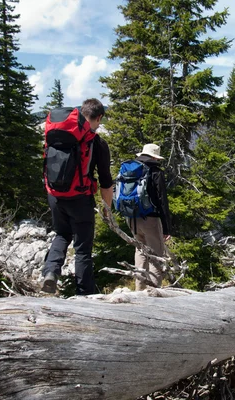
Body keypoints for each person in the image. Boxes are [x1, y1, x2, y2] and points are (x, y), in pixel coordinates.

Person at [41, 98, 113, 295]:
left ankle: (50, 272)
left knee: (62, 234)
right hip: (80, 200)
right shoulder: (96, 142)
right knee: (82, 250)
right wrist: (107, 211)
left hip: (55, 195)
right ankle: (85, 294)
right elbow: (106, 183)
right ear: (99, 118)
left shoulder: (58, 136)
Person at [127, 143, 172, 291]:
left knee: (140, 251)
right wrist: (166, 227)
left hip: (132, 218)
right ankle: (153, 292)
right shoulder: (155, 172)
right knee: (156, 256)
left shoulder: (131, 169)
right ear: (154, 157)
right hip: (150, 219)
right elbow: (162, 202)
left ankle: (139, 289)